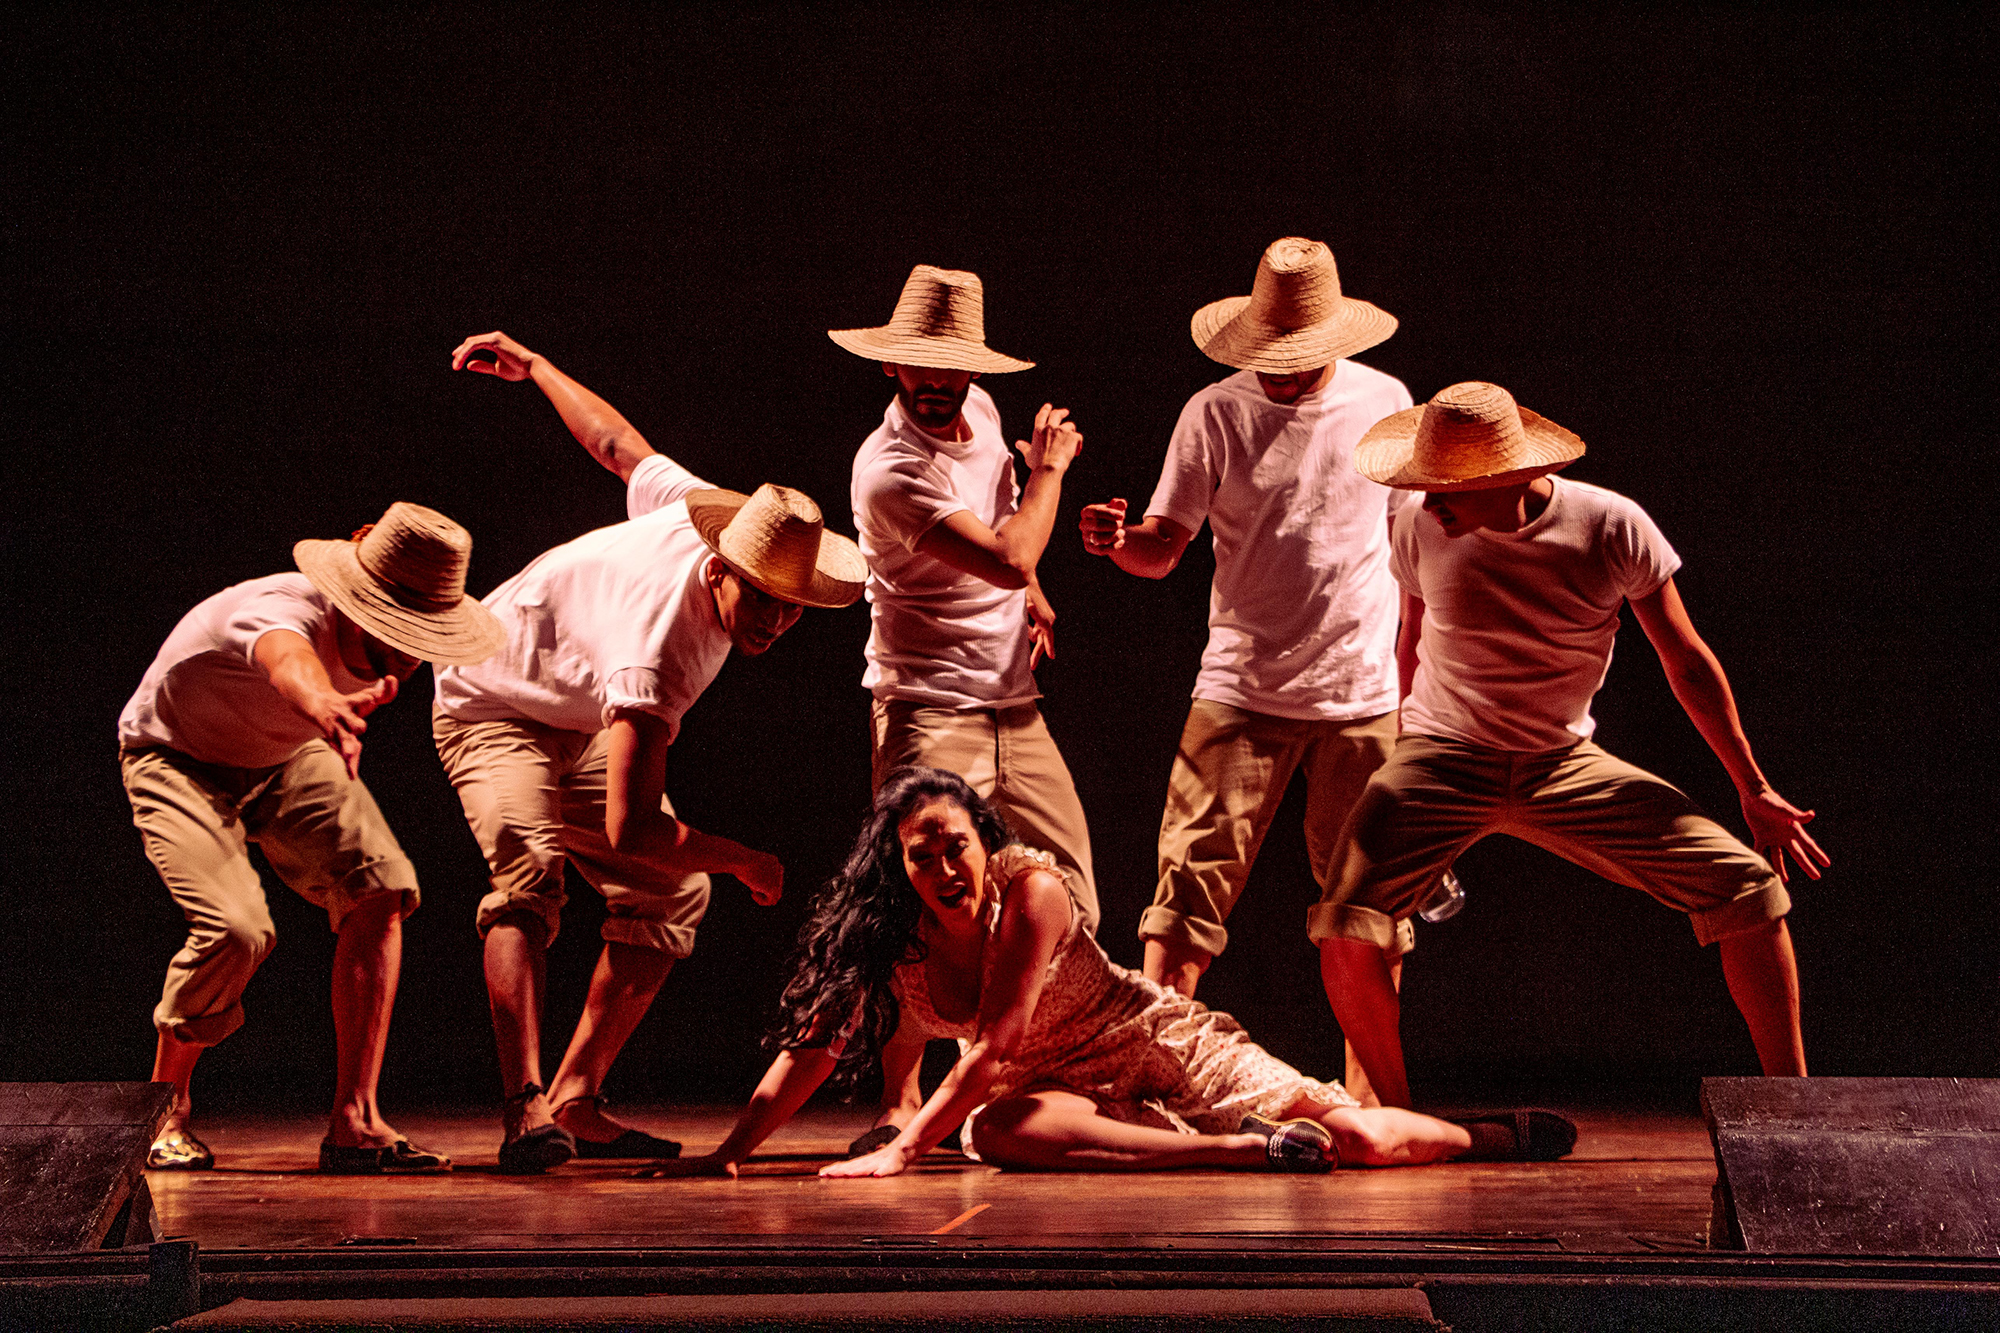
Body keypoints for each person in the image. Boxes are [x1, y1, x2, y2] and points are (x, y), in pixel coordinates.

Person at [647, 767, 1574, 1179]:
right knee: (1003, 1125)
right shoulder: (895, 939)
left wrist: (903, 1148)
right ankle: (1239, 1155)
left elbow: (997, 1035)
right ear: (899, 867)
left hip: (1159, 1047)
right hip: (1057, 1088)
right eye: (922, 855)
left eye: (956, 844)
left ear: (984, 843)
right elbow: (815, 1047)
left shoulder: (1031, 891)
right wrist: (734, 1150)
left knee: (1363, 1145)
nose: (944, 866)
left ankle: (1486, 1136)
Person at [1312, 382, 1829, 1109]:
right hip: (1443, 754)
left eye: (1449, 487)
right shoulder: (1419, 524)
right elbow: (1410, 639)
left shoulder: (1610, 526)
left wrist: (1753, 785)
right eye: (1425, 487)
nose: (1430, 503)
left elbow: (1684, 661)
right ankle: (1399, 1116)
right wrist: (1398, 747)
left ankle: (1799, 1111)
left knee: (1747, 888)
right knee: (1344, 926)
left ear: (1513, 478)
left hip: (1563, 765)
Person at [437, 332, 866, 1172]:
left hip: (571, 702)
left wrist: (539, 367)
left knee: (673, 894)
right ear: (721, 568)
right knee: (531, 878)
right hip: (491, 696)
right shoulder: (659, 652)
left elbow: (617, 446)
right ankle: (527, 1109)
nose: (776, 621)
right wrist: (748, 858)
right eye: (763, 599)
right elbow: (630, 829)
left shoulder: (710, 509)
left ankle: (577, 1097)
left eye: (794, 606)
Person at [1077, 237, 1420, 1039]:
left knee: (1370, 910)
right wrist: (1117, 542)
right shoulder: (1216, 411)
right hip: (1240, 691)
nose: (1283, 370)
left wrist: (1410, 692)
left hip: (1362, 698)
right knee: (1183, 900)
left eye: (1299, 354)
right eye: (1270, 353)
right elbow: (1163, 546)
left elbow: (1412, 559)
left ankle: (1372, 1100)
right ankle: (1153, 1079)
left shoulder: (1385, 399)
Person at [120, 502, 504, 1173]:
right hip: (177, 756)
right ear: (357, 600)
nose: (408, 651)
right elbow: (284, 656)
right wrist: (324, 703)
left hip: (287, 754)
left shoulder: (403, 653)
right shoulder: (280, 607)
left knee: (382, 885)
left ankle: (355, 1121)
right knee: (237, 930)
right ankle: (166, 1106)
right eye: (395, 628)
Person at [830, 265, 1101, 1150]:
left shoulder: (978, 412)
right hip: (927, 704)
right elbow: (1009, 552)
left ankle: (1021, 1067)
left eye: (955, 369)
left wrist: (1034, 595)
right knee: (910, 911)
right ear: (892, 370)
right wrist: (1052, 472)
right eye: (923, 369)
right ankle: (899, 1102)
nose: (941, 384)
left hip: (1009, 699)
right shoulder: (888, 472)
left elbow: (1008, 537)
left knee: (1069, 886)